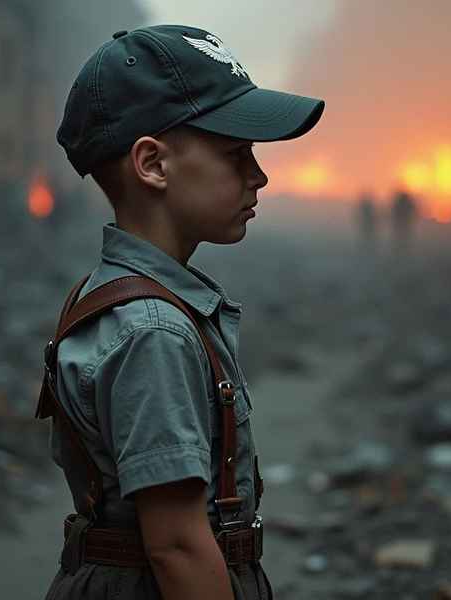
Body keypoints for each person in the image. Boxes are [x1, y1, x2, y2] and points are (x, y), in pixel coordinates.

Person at [41, 25, 324, 600]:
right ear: (154, 165)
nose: (260, 175)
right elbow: (178, 547)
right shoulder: (154, 332)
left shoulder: (113, 295)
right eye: (236, 152)